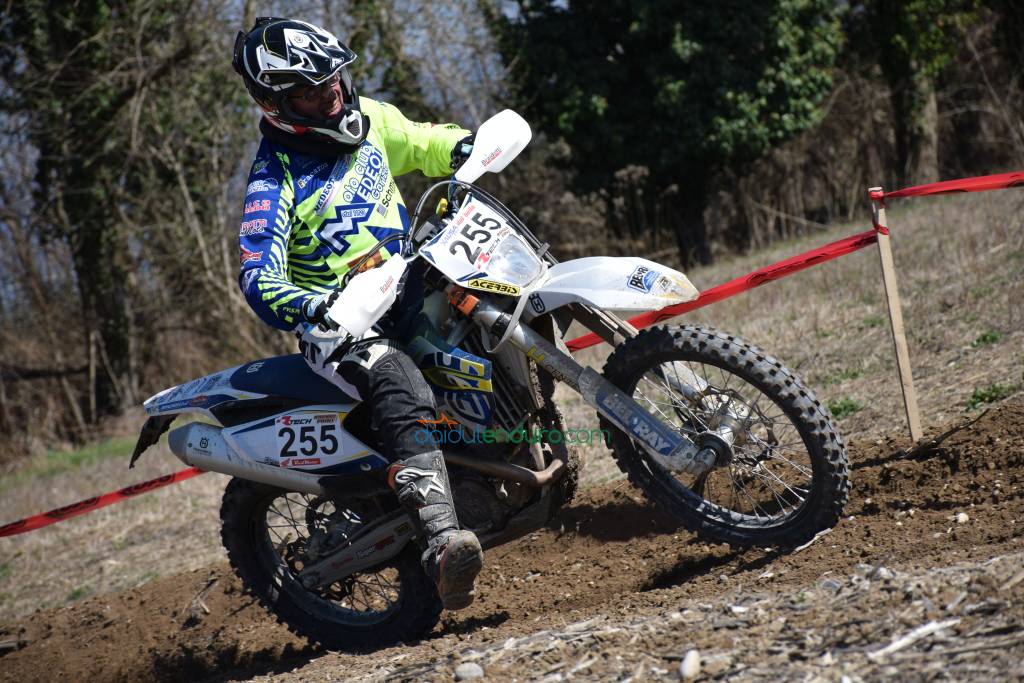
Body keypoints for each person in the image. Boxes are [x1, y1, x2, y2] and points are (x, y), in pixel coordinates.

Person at [231, 17, 482, 610]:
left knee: (492, 300)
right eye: (310, 91)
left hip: (409, 278)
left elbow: (420, 141)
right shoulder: (274, 181)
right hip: (344, 325)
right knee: (397, 378)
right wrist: (315, 304)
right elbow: (257, 276)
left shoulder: (368, 119)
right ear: (274, 103)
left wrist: (463, 148)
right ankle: (441, 542)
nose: (331, 95)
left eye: (333, 78)